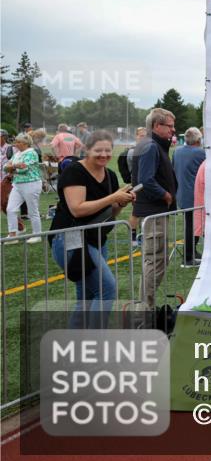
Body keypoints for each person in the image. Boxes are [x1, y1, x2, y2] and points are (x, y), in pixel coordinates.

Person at [49, 131, 135, 327]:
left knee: (87, 298)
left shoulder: (110, 175)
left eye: (108, 150)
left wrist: (122, 202)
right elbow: (77, 209)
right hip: (70, 238)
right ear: (86, 150)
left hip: (95, 239)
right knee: (107, 290)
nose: (104, 155)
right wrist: (113, 197)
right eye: (98, 150)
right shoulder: (74, 171)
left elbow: (110, 213)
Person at [133, 108, 177, 307]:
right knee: (154, 260)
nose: (173, 130)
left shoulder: (152, 145)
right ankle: (144, 309)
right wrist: (165, 194)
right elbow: (146, 180)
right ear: (157, 126)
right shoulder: (150, 146)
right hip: (154, 212)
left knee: (158, 260)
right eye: (170, 126)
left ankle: (145, 306)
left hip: (155, 212)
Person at [172, 127, 206, 266]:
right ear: (198, 140)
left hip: (181, 194)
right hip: (196, 195)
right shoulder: (201, 153)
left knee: (190, 224)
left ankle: (191, 252)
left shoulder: (177, 151)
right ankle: (188, 256)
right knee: (196, 225)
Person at [4, 133, 44, 243]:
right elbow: (5, 167)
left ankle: (37, 235)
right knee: (10, 209)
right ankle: (13, 235)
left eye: (18, 142)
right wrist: (15, 166)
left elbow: (24, 169)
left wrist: (12, 167)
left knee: (32, 211)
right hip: (17, 184)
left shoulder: (32, 153)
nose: (15, 144)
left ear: (25, 143)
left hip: (31, 184)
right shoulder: (17, 154)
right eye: (16, 141)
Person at [125, 127, 147, 245]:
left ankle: (141, 236)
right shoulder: (133, 151)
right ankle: (133, 238)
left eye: (145, 136)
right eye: (141, 135)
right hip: (138, 185)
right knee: (136, 212)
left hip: (143, 184)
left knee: (144, 212)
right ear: (136, 137)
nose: (143, 138)